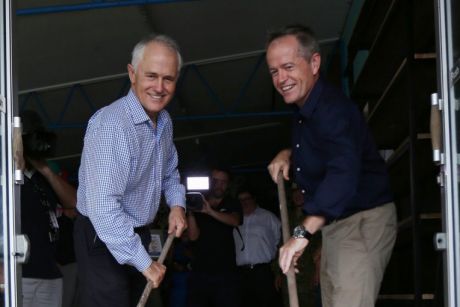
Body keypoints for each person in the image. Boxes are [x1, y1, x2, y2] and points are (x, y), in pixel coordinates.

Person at [265, 24, 397, 307]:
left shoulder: (333, 109)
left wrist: (301, 234)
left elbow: (342, 173)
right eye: (274, 71)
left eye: (288, 66)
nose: (281, 78)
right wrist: (288, 153)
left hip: (362, 221)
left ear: (314, 63)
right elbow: (323, 150)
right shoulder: (305, 111)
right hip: (336, 225)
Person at [75, 33, 187, 307]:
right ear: (132, 74)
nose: (159, 87)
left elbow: (170, 170)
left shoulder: (164, 122)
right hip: (101, 235)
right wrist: (143, 262)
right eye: (151, 76)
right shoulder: (112, 126)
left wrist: (176, 205)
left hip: (137, 232)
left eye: (168, 79)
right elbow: (102, 208)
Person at [20, 110, 77, 307]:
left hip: (50, 272)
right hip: (19, 273)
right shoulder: (7, 179)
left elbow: (73, 203)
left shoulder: (43, 178)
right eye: (32, 139)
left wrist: (46, 170)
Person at [186, 168, 243, 307]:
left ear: (228, 184)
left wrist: (210, 211)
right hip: (200, 270)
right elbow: (193, 237)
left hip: (225, 272)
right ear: (210, 182)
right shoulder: (199, 201)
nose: (219, 185)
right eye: (216, 181)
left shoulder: (232, 202)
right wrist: (191, 212)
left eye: (224, 182)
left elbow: (235, 221)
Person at [233, 187, 281, 307]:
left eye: (247, 199)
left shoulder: (268, 217)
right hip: (241, 273)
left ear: (254, 199)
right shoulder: (234, 219)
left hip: (263, 272)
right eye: (240, 200)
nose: (244, 202)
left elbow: (280, 240)